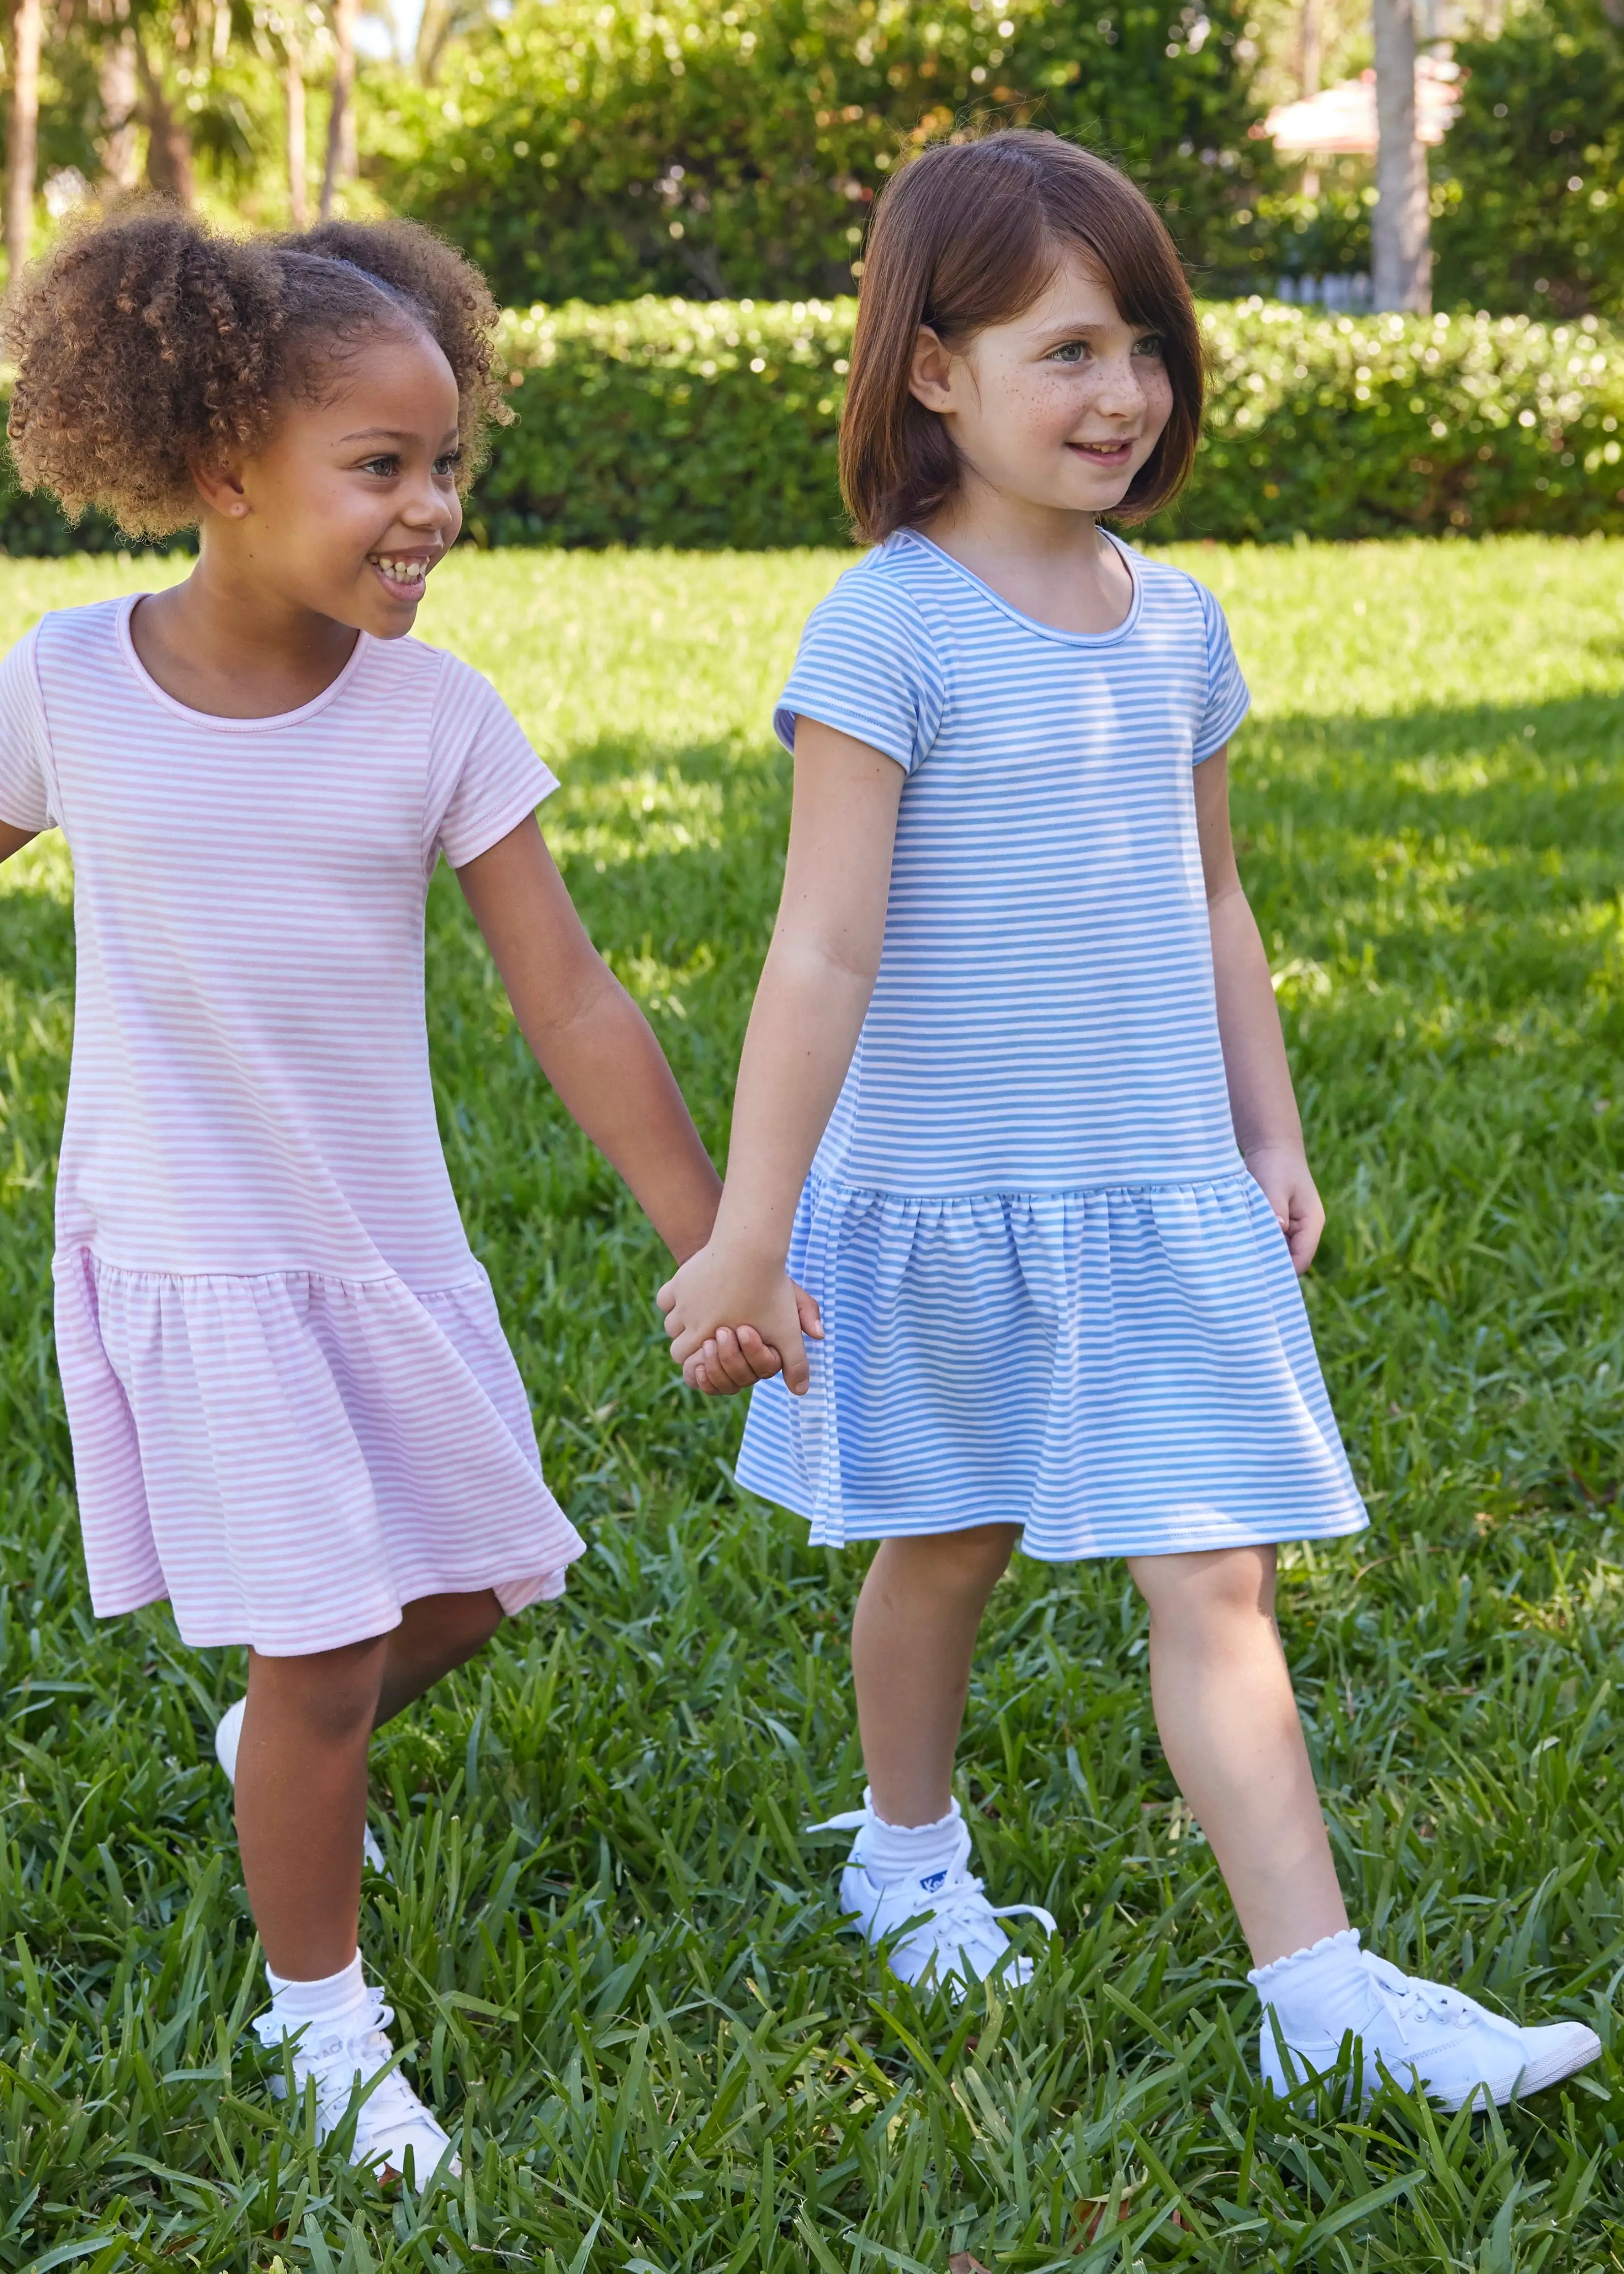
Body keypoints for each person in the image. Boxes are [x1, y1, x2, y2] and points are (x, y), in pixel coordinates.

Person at [657, 129, 1601, 2111]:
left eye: (1147, 346)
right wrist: (753, 1225)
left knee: (1216, 1566)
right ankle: (907, 1854)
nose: (1124, 392)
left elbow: (1219, 895)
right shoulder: (886, 627)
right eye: (1069, 347)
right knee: (943, 1542)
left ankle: (1317, 1982)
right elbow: (819, 952)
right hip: (940, 1195)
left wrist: (1270, 1124)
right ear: (932, 369)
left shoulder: (1175, 625)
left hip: (1162, 1190)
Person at [0, 208, 770, 2184]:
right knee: (330, 1650)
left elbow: (573, 992)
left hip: (387, 1249)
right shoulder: (69, 682)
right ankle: (323, 2021)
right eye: (383, 468)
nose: (432, 508)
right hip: (197, 1250)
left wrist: (712, 1227)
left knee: (484, 1571)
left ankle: (275, 1752)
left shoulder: (437, 718)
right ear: (218, 468)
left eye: (448, 467)